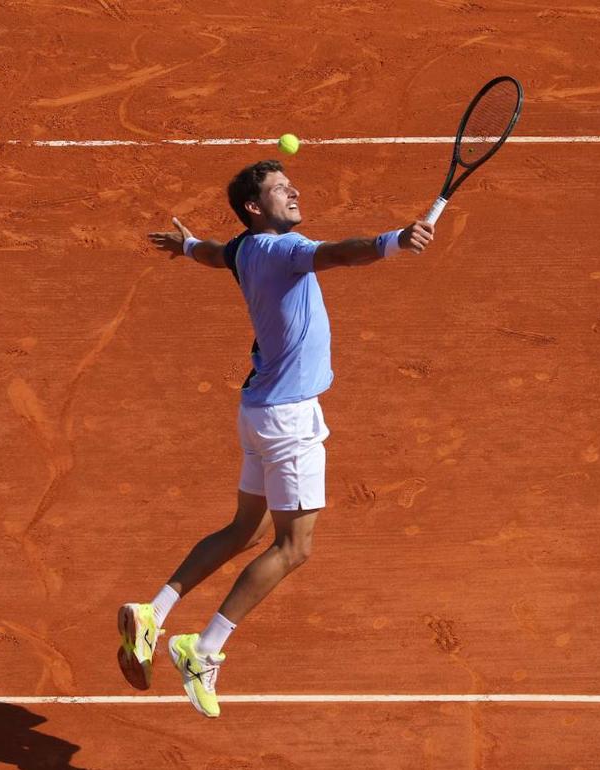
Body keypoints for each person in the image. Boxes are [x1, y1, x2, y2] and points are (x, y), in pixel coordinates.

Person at [119, 159, 434, 718]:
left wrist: (188, 247)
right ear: (254, 208)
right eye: (279, 190)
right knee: (294, 547)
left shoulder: (244, 250)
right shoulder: (284, 250)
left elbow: (217, 253)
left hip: (257, 412)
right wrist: (394, 241)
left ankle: (154, 611)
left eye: (291, 185)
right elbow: (340, 252)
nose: (293, 192)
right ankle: (204, 648)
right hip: (288, 421)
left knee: (247, 527)